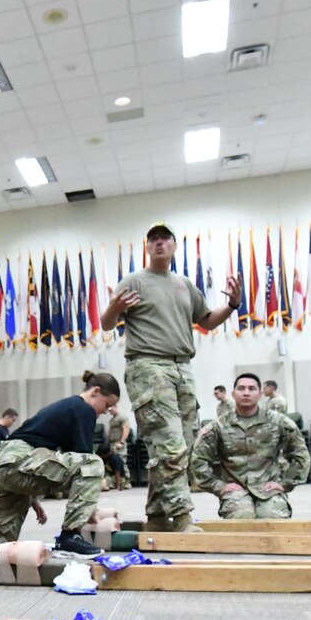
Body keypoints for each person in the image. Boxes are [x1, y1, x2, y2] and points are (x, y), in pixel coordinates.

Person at [102, 223, 241, 533]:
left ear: (175, 247)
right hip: (148, 367)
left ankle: (156, 515)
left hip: (183, 368)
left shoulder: (184, 285)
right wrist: (114, 306)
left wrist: (232, 305)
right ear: (147, 248)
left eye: (165, 239)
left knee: (183, 445)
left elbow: (206, 320)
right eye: (153, 240)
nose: (159, 243)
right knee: (171, 445)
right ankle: (180, 517)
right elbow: (107, 324)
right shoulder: (135, 281)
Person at [0, 372, 122, 556]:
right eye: (107, 404)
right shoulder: (84, 410)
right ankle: (70, 537)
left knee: (1, 540)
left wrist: (31, 496)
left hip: (4, 465)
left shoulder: (67, 406)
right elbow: (84, 464)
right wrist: (89, 511)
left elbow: (47, 457)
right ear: (96, 391)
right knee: (93, 463)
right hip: (18, 460)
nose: (106, 411)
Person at [191, 372, 310, 519]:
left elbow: (301, 454)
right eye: (241, 388)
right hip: (235, 492)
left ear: (260, 394)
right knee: (241, 518)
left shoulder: (279, 422)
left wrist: (285, 484)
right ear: (233, 394)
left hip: (268, 488)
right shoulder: (218, 426)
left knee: (273, 519)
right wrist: (218, 486)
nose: (246, 393)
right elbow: (198, 460)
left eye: (251, 389)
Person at [101, 404, 129, 491]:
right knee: (112, 464)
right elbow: (110, 432)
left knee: (121, 461)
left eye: (111, 409)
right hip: (112, 444)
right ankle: (115, 482)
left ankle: (125, 482)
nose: (110, 412)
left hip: (119, 443)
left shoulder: (122, 417)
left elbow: (126, 429)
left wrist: (121, 442)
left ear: (116, 407)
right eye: (109, 410)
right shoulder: (112, 420)